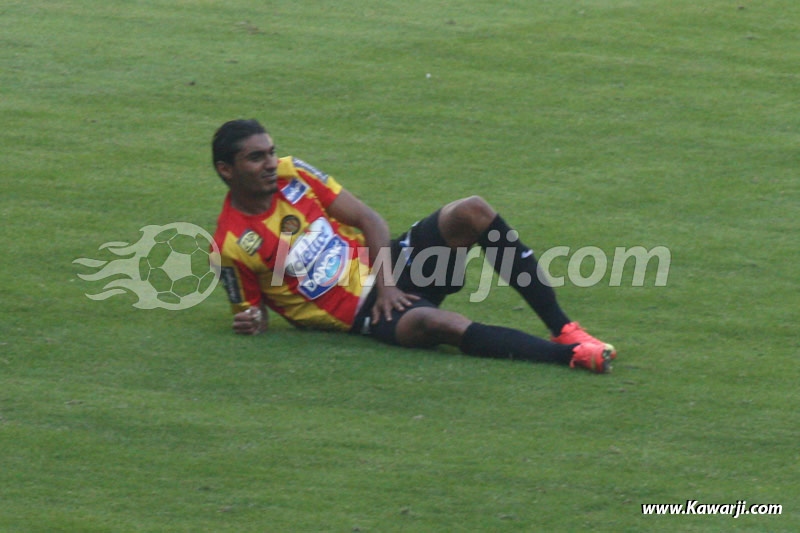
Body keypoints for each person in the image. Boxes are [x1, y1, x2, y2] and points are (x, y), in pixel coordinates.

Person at [211, 119, 617, 373]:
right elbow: (251, 313)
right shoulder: (231, 244)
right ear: (226, 170)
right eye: (255, 157)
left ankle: (564, 329)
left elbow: (369, 219)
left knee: (471, 211)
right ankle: (573, 358)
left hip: (392, 268)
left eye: (270, 152)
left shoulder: (293, 174)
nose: (269, 163)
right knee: (442, 325)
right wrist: (252, 322)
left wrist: (387, 283)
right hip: (363, 314)